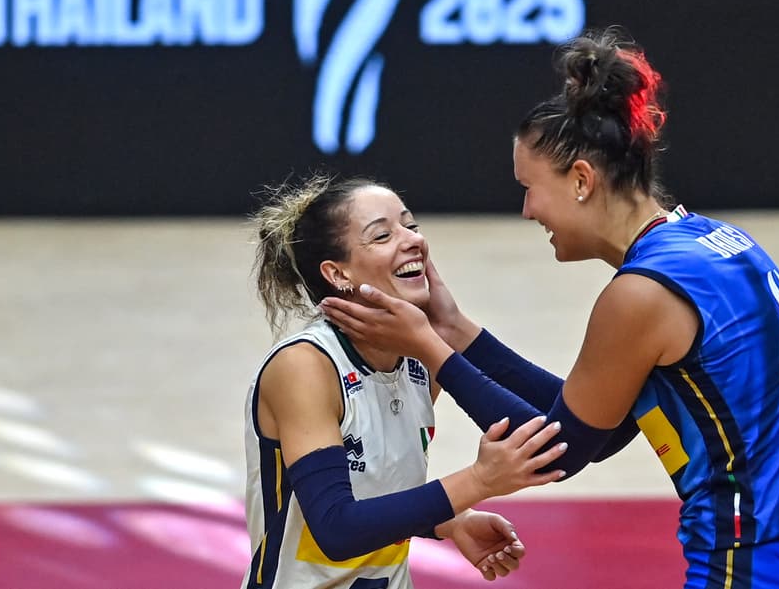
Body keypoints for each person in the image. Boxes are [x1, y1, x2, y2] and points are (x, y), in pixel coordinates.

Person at [319, 27, 779, 588]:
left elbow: (561, 451)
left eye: (530, 187)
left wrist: (429, 348)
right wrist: (454, 329)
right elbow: (603, 427)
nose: (527, 210)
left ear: (581, 181)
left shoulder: (641, 294)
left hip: (751, 560)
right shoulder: (712, 242)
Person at [242, 173, 566, 589]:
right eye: (382, 236)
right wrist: (478, 481)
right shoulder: (305, 365)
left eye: (410, 226)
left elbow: (560, 432)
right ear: (337, 273)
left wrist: (448, 522)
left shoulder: (421, 358)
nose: (412, 240)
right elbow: (337, 529)